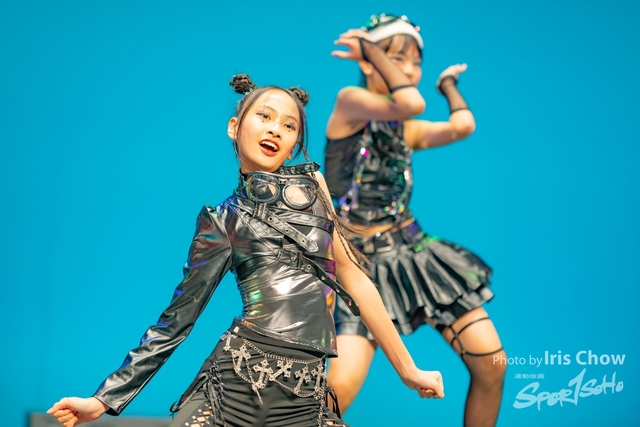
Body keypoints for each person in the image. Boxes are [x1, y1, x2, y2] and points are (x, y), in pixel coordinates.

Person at [47, 74, 444, 427]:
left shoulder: (314, 188)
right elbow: (175, 322)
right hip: (234, 388)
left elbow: (354, 278)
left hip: (305, 399)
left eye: (289, 126)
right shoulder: (221, 220)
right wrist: (104, 399)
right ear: (234, 127)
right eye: (264, 117)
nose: (275, 130)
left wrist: (409, 371)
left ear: (294, 145)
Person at [324, 14, 506, 427]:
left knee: (492, 362)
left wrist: (448, 86)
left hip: (412, 253)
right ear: (371, 62)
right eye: (397, 59)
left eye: (416, 62)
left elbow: (463, 125)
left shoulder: (406, 130)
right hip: (358, 264)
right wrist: (370, 51)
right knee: (337, 391)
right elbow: (411, 102)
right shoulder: (350, 102)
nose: (409, 70)